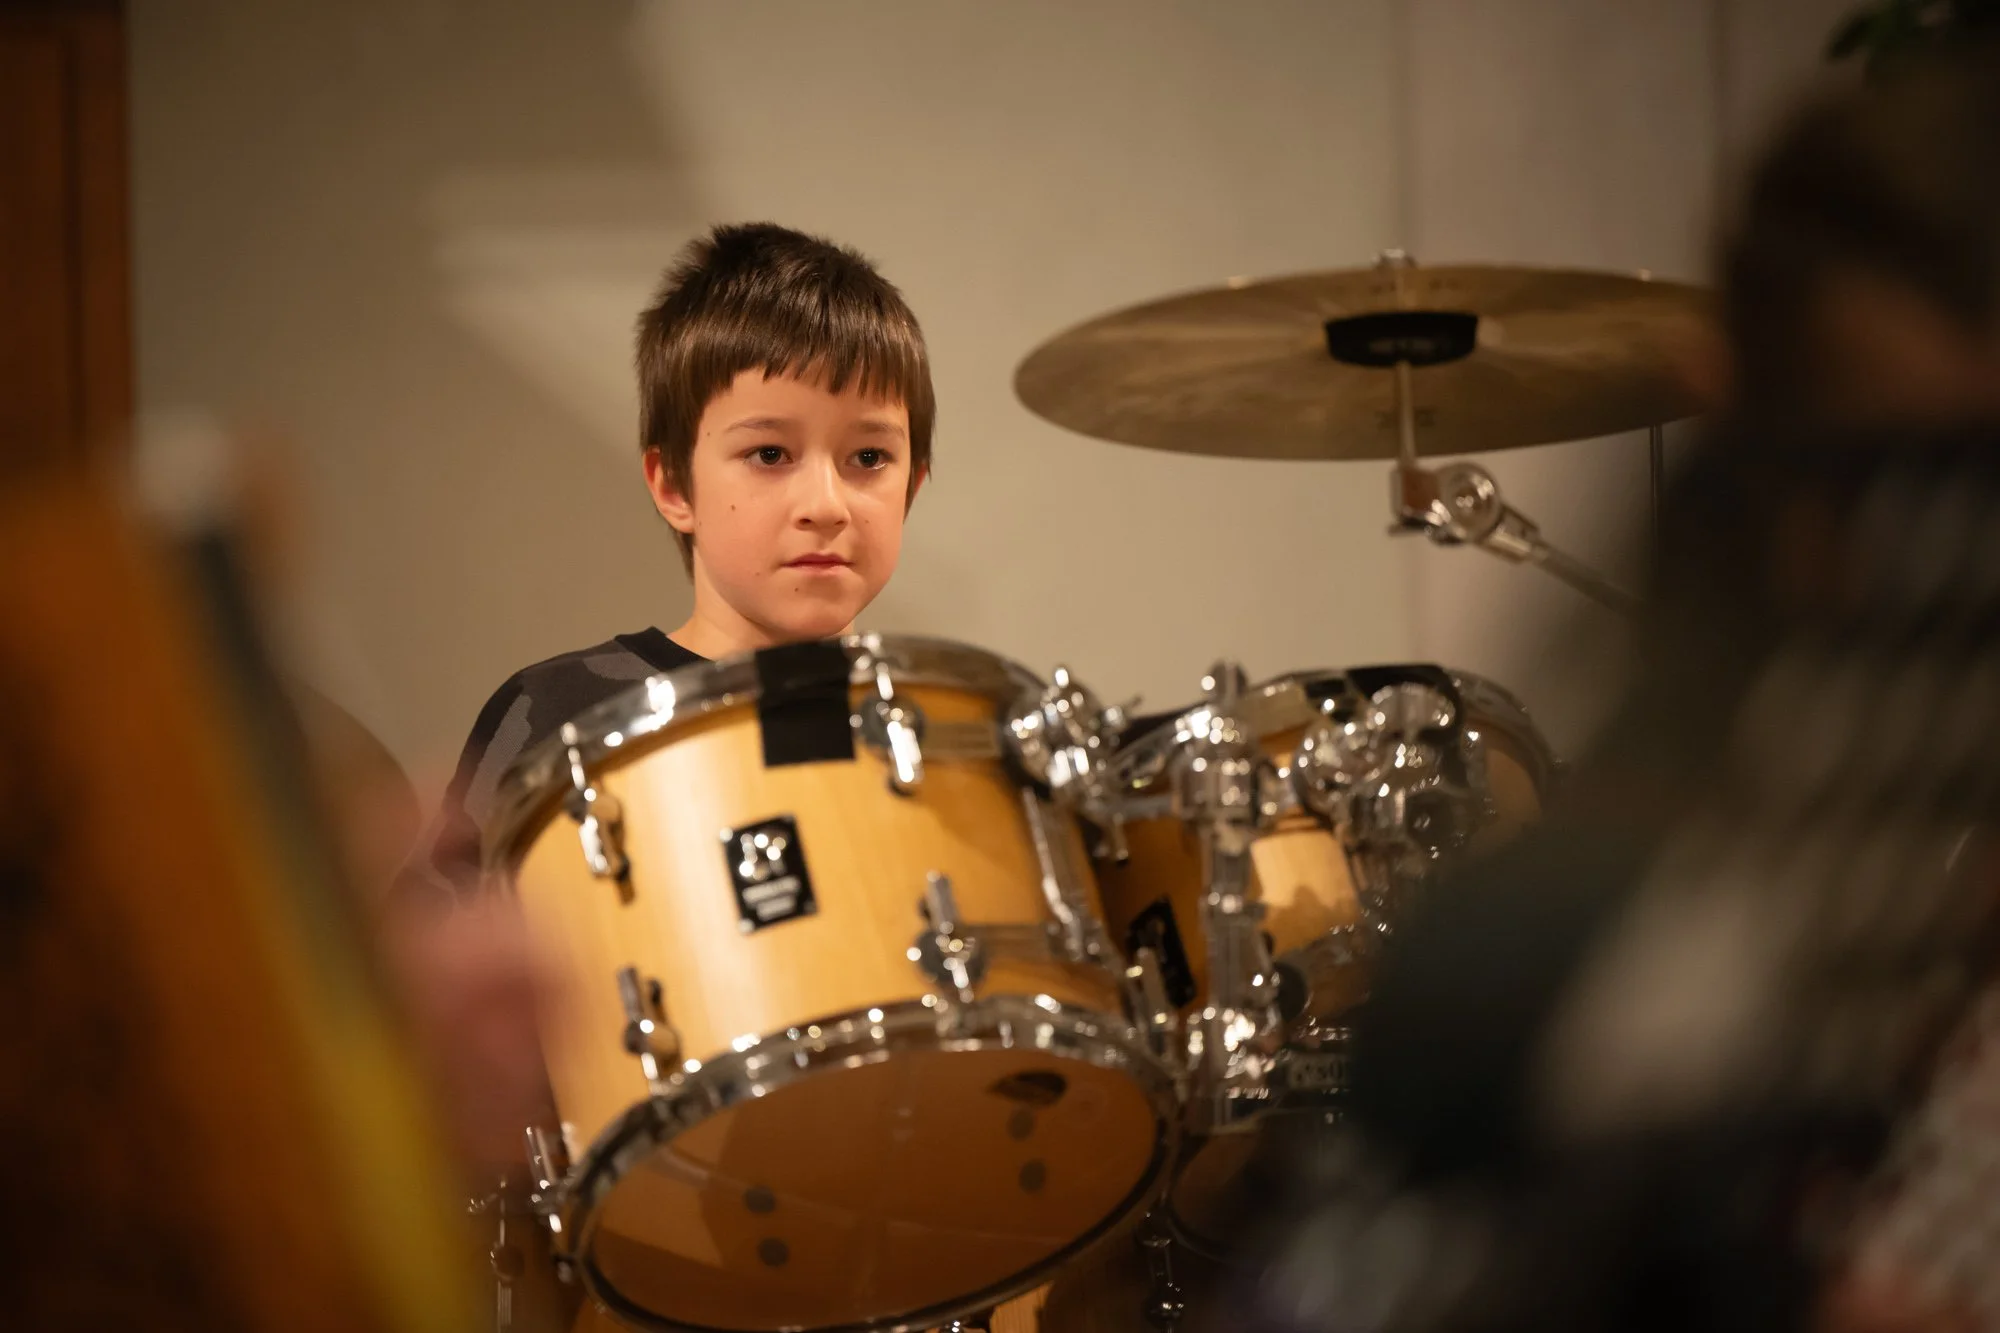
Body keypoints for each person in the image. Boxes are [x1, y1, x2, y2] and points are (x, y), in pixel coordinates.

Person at [386, 222, 934, 1171]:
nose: (827, 503)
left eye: (869, 458)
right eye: (770, 454)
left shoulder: (931, 738)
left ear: (914, 482)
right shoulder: (562, 710)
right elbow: (418, 995)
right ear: (672, 482)